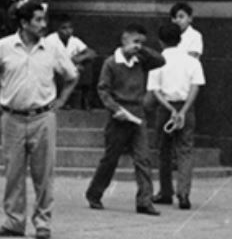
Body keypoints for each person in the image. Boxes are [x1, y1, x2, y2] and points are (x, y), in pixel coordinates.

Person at [0, 2, 78, 239]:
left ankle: (43, 222)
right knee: (13, 172)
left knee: (44, 173)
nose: (43, 25)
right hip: (11, 116)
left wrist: (61, 100)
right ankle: (14, 221)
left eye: (44, 20)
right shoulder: (3, 47)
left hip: (42, 116)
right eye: (38, 20)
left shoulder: (52, 48)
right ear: (24, 23)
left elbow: (72, 76)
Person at [84, 22, 164, 216]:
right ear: (124, 40)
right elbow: (103, 89)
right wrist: (114, 108)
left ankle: (144, 200)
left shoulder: (140, 60)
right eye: (135, 41)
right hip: (119, 113)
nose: (137, 46)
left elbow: (160, 60)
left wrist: (142, 49)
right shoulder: (111, 63)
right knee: (111, 158)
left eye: (141, 42)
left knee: (143, 158)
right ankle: (95, 193)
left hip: (138, 113)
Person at [147, 20, 204, 210]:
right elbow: (196, 86)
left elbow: (155, 90)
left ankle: (165, 192)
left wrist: (171, 110)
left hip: (165, 108)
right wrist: (184, 110)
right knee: (185, 150)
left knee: (164, 150)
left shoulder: (157, 61)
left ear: (160, 41)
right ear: (180, 39)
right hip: (186, 107)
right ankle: (184, 193)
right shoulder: (192, 61)